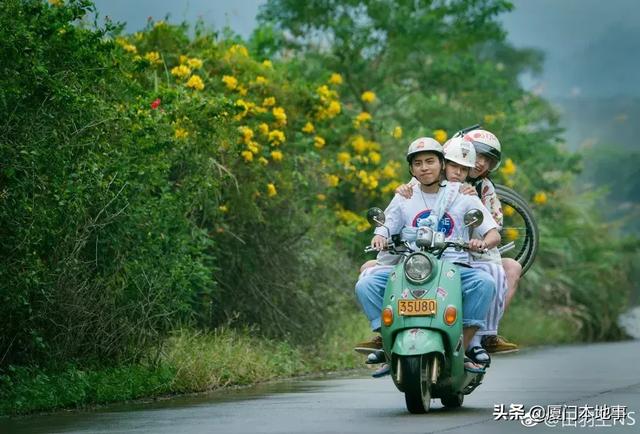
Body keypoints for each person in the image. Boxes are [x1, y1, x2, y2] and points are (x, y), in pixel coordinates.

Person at [354, 137, 500, 376]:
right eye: (418, 163)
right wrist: (379, 237)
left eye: (430, 161)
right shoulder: (405, 196)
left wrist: (481, 242)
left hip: (453, 266)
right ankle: (387, 342)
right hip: (412, 268)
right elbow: (386, 226)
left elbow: (493, 233)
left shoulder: (463, 195)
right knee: (366, 284)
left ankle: (462, 346)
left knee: (485, 283)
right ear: (411, 169)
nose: (424, 167)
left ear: (442, 164)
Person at [392, 129, 521, 354]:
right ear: (444, 163)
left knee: (497, 273)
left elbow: (493, 226)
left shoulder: (481, 189)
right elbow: (402, 208)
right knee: (371, 272)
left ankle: (483, 336)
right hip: (420, 252)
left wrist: (471, 204)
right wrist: (401, 192)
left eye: (487, 160)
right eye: (478, 156)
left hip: (467, 250)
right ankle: (385, 334)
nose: (480, 163)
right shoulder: (427, 177)